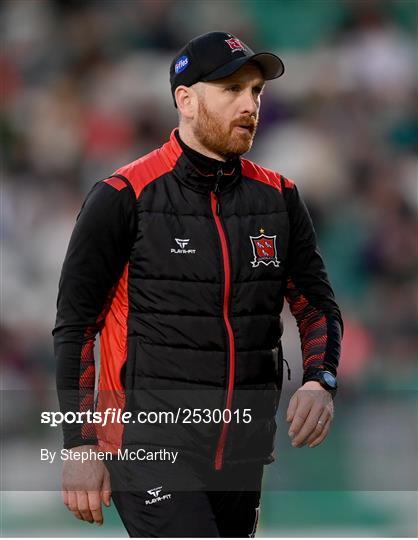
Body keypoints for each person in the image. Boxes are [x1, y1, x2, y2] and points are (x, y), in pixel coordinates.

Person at [53, 31, 343, 537]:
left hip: (241, 449)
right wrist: (79, 443)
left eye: (255, 91)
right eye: (231, 89)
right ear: (185, 100)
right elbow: (76, 327)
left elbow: (317, 307)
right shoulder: (123, 196)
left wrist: (321, 378)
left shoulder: (279, 198)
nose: (249, 104)